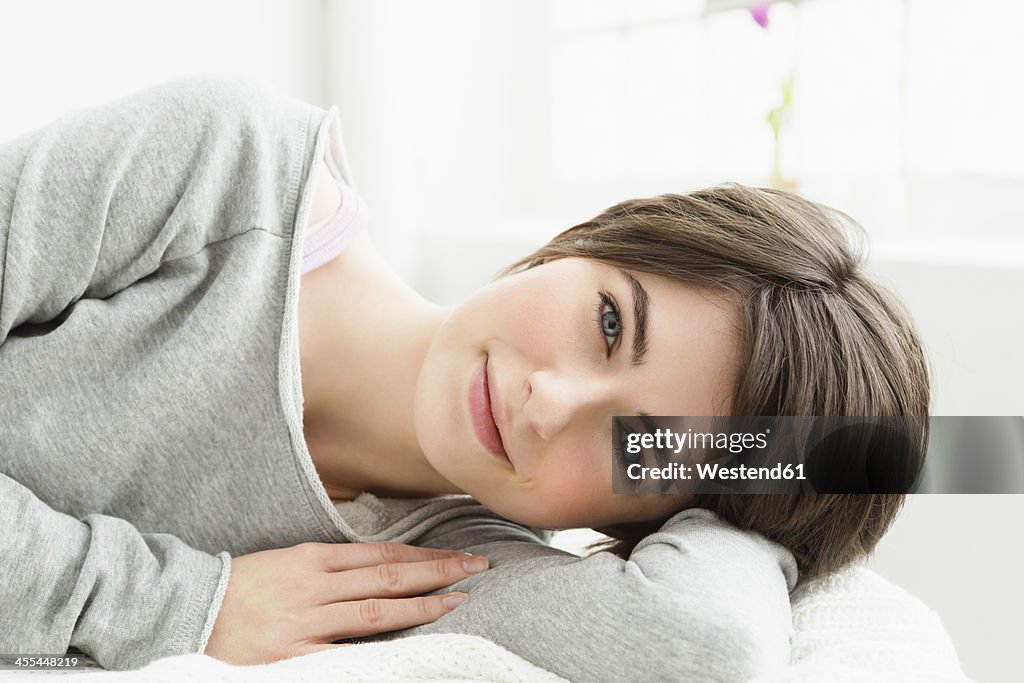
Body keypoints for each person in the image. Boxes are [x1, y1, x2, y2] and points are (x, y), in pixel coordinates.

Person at [0, 75, 929, 679]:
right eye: (609, 322)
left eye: (631, 449)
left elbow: (709, 652)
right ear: (591, 239)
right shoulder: (230, 171)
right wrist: (184, 602)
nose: (548, 402)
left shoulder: (447, 574)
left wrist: (775, 480)